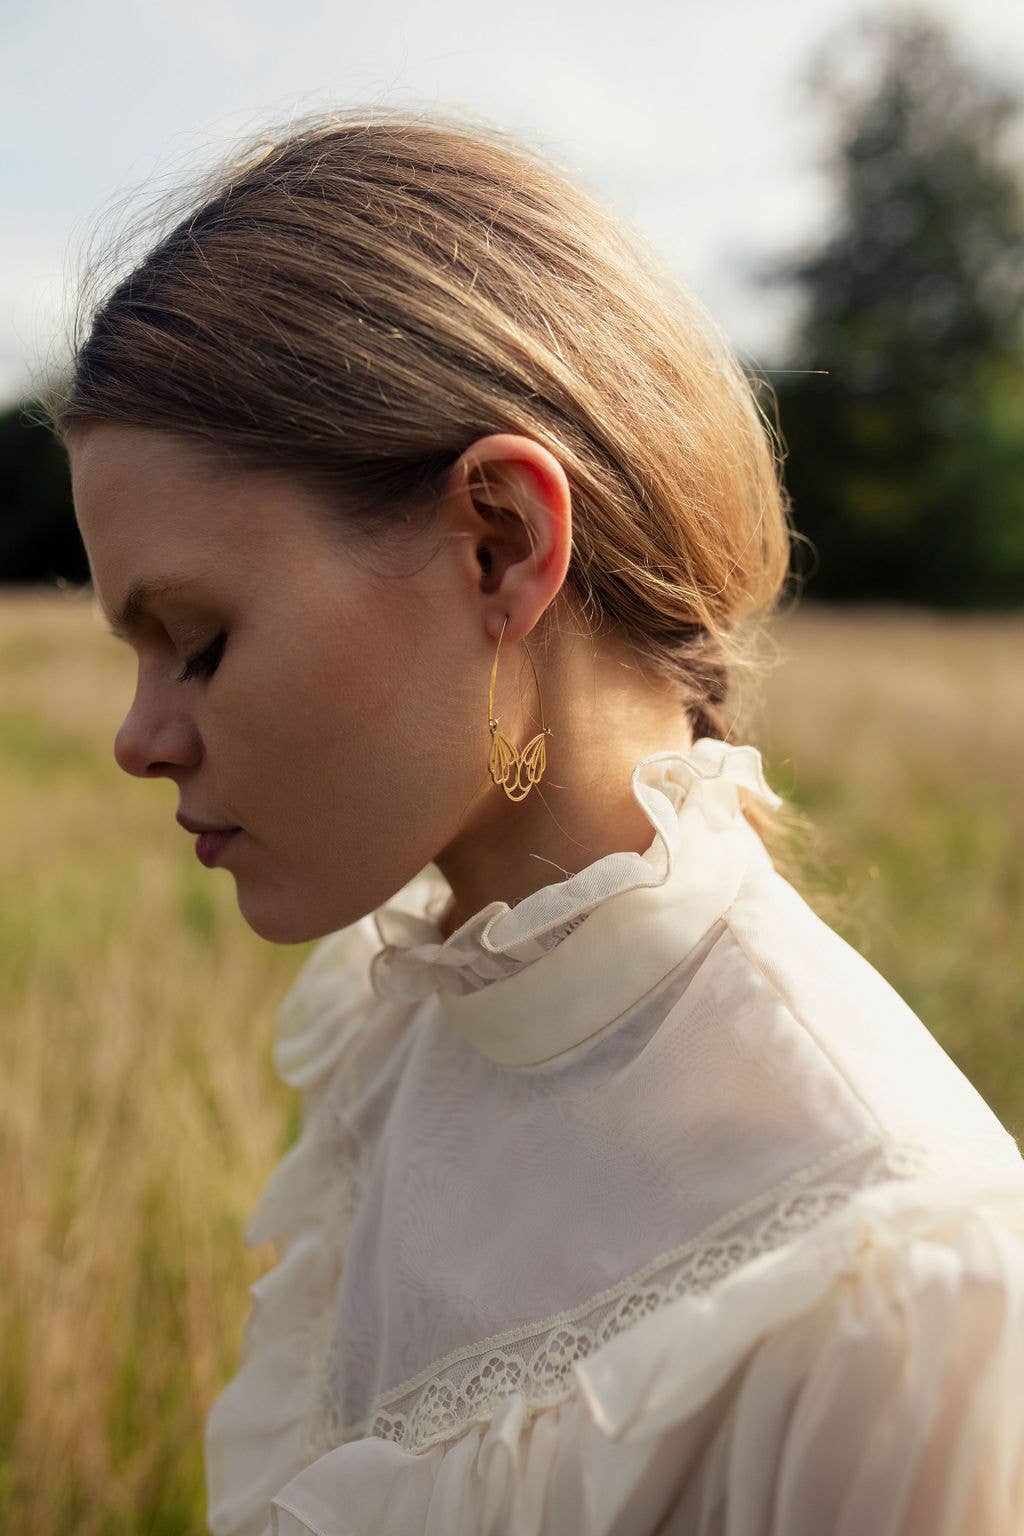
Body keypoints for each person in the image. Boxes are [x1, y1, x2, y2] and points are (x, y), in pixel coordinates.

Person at [51, 106, 1024, 1536]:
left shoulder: (898, 1288)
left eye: (194, 641)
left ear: (501, 545)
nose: (140, 739)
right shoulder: (405, 1024)